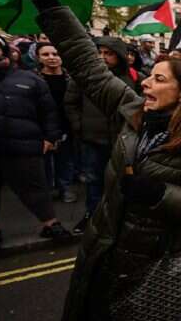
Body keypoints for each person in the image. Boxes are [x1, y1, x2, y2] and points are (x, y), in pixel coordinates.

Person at [16, 0, 181, 320]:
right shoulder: (132, 111)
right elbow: (88, 66)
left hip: (155, 268)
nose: (145, 84)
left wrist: (158, 194)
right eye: (148, 77)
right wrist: (46, 1)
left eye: (158, 79)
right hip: (103, 251)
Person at [0, 30, 71, 250]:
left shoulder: (29, 79)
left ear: (4, 52)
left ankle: (50, 223)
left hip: (22, 145)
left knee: (35, 187)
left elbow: (49, 111)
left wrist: (50, 136)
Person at [65, 34, 144, 234]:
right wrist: (80, 126)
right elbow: (71, 103)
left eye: (108, 53)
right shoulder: (83, 76)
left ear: (119, 55)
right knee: (94, 181)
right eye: (98, 52)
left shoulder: (136, 78)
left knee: (122, 182)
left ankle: (121, 217)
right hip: (92, 140)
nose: (102, 57)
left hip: (123, 142)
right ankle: (92, 216)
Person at [37, 42, 76, 203]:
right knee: (44, 162)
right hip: (42, 128)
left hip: (67, 126)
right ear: (38, 58)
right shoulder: (34, 79)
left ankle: (65, 188)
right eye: (46, 55)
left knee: (65, 160)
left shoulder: (71, 79)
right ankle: (47, 190)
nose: (52, 58)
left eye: (55, 54)